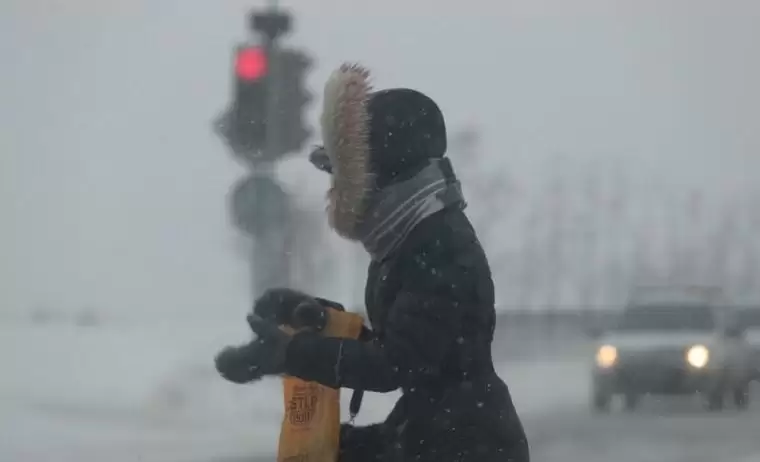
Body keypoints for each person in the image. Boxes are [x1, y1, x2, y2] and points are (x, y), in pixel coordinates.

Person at [214, 63, 530, 462]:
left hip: (467, 444)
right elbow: (405, 345)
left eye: (341, 177)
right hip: (435, 431)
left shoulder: (439, 246)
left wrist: (295, 353)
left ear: (381, 173)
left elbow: (397, 363)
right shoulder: (408, 240)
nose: (334, 191)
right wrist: (315, 321)